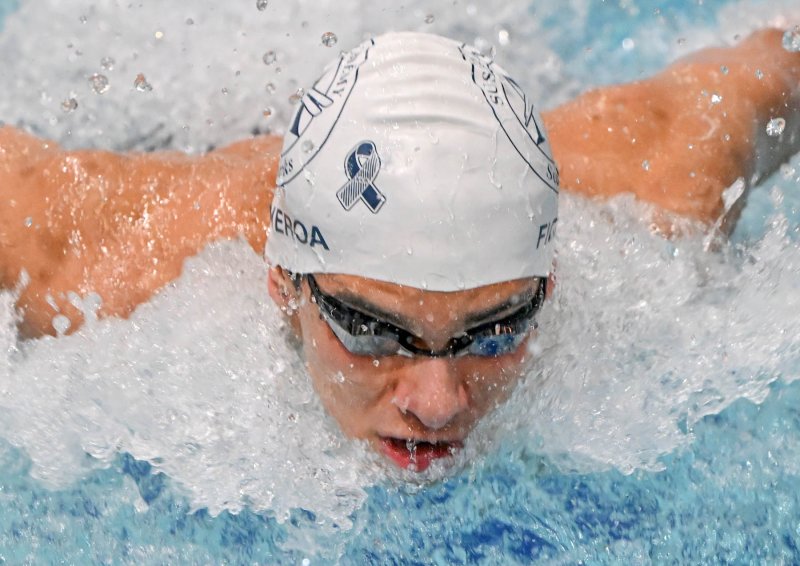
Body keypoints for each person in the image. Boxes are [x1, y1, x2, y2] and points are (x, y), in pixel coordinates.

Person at [0, 29, 798, 472]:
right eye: (373, 332)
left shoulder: (658, 193)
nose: (439, 402)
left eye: (494, 331)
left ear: (547, 285)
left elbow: (774, 63)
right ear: (285, 283)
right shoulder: (108, 270)